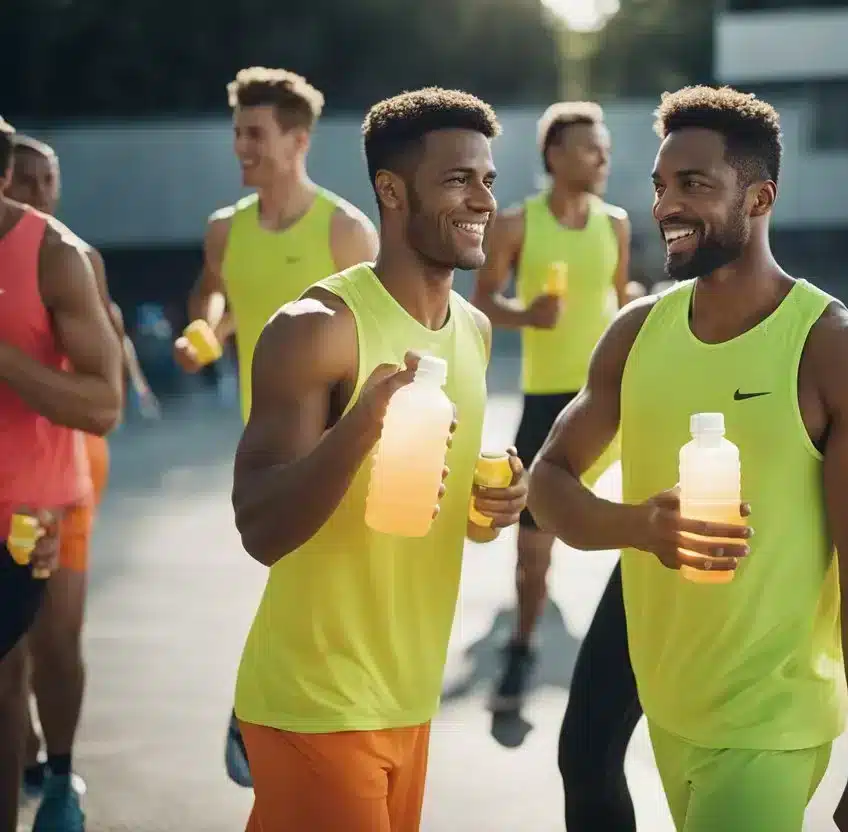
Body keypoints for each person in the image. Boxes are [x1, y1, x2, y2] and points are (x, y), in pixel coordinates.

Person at [531, 86, 848, 832]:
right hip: (670, 700)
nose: (666, 205)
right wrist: (640, 527)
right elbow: (549, 482)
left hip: (770, 721)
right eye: (661, 185)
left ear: (759, 198)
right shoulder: (635, 333)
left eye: (694, 185)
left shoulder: (840, 352)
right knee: (586, 762)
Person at [230, 88, 528, 832]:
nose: (483, 201)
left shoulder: (474, 331)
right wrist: (360, 426)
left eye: (488, 179)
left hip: (409, 697)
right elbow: (259, 526)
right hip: (318, 698)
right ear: (392, 192)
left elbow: (428, 510)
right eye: (458, 179)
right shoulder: (316, 329)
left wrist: (490, 507)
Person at [170, 67, 379, 788]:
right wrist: (206, 330)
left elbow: (378, 326)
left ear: (297, 140)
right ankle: (268, 714)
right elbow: (214, 296)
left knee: (315, 576)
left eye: (255, 134)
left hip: (338, 434)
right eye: (238, 133)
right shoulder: (225, 229)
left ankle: (269, 715)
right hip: (262, 437)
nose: (242, 147)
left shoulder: (345, 231)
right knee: (302, 574)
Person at [4, 133, 159, 808]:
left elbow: (106, 383)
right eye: (27, 179)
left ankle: (59, 773)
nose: (38, 190)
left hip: (59, 472)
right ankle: (28, 753)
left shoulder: (69, 255)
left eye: (47, 179)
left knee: (56, 641)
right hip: (30, 470)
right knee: (11, 659)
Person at [473, 100, 642, 712]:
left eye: (605, 149)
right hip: (548, 402)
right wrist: (527, 315)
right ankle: (521, 648)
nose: (602, 159)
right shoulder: (516, 225)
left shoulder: (616, 224)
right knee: (532, 546)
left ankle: (652, 655)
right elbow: (483, 301)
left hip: (614, 397)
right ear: (555, 154)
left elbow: (622, 297)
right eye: (591, 148)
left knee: (650, 518)